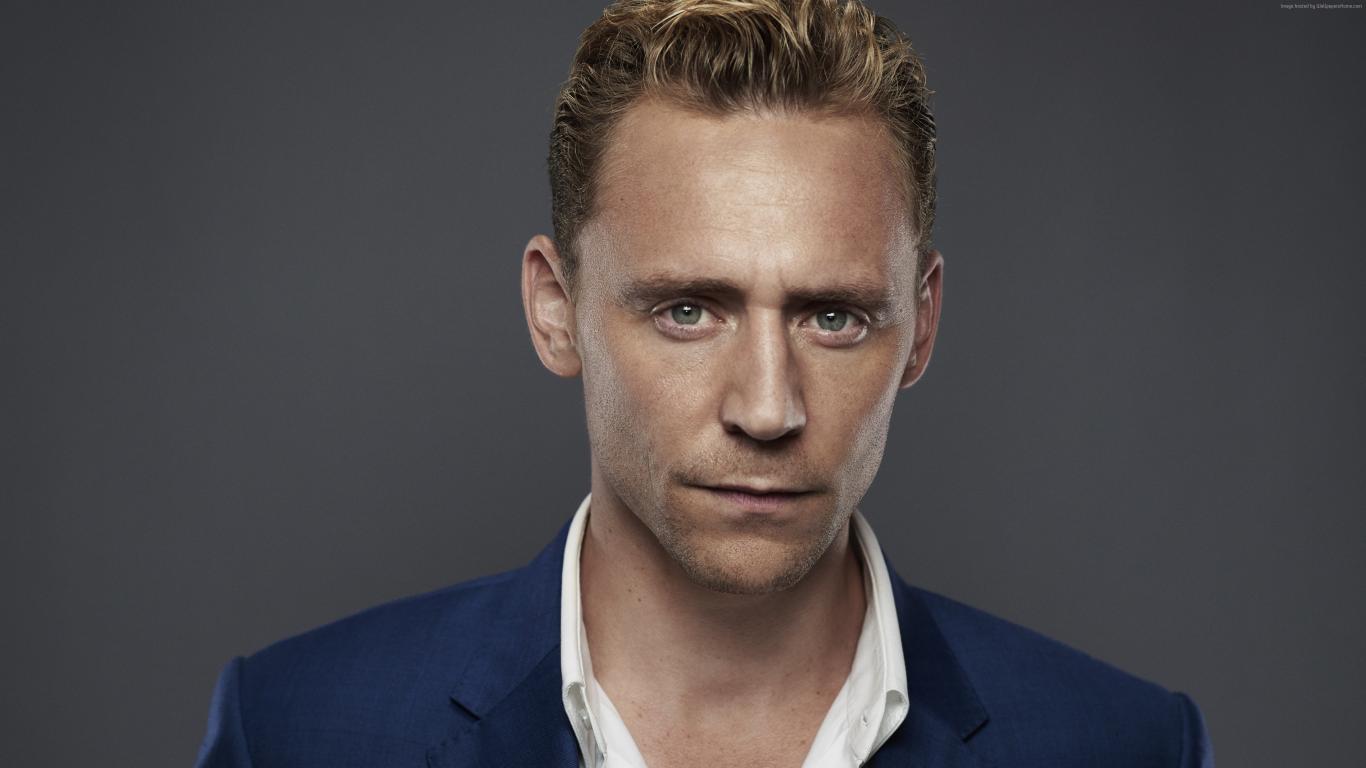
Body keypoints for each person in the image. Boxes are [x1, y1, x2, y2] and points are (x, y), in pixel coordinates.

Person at [195, 1, 1214, 765]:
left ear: (921, 327)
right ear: (555, 310)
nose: (767, 408)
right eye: (687, 310)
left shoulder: (1122, 747)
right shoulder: (295, 732)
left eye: (833, 316)